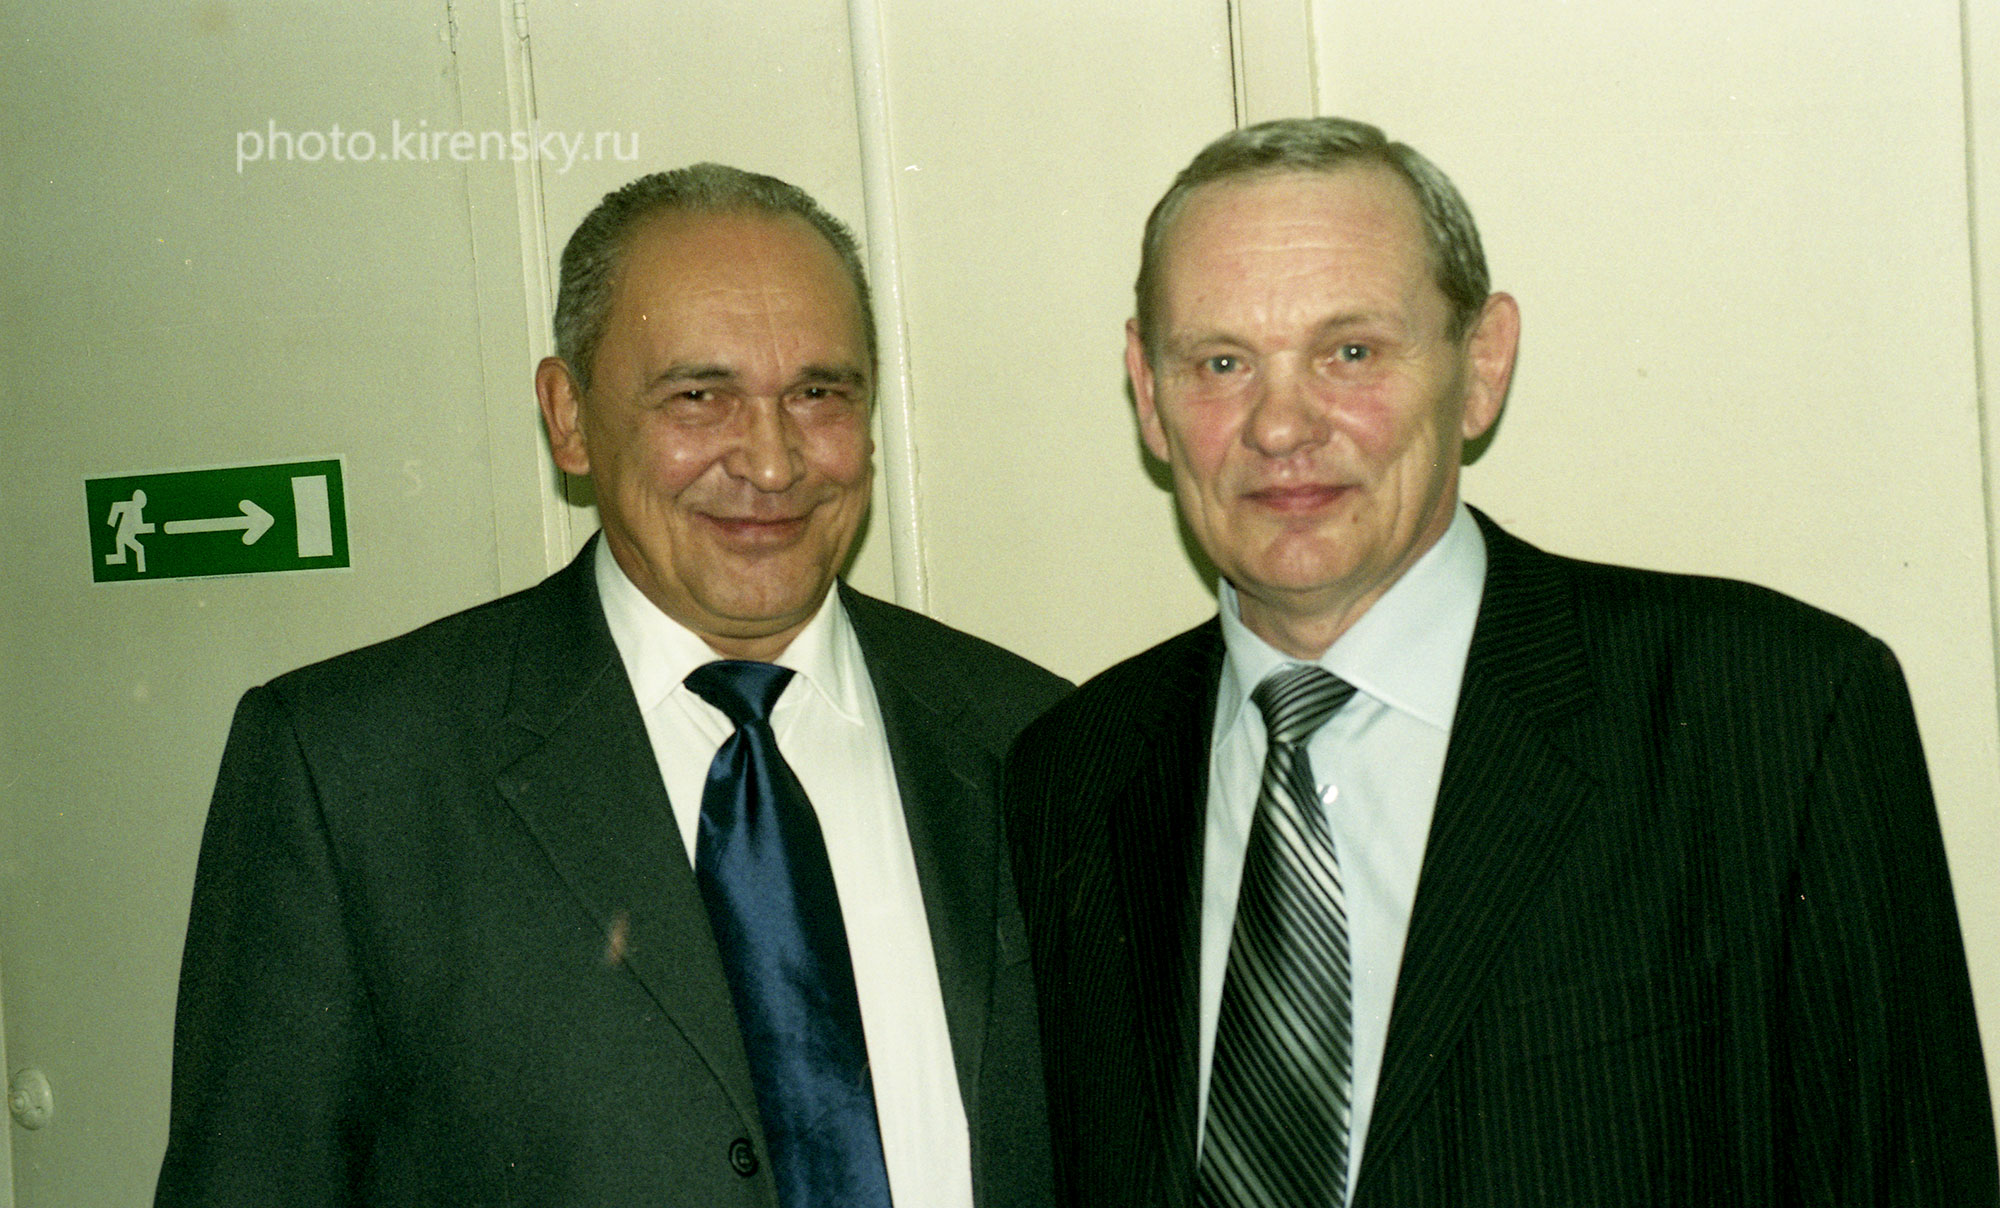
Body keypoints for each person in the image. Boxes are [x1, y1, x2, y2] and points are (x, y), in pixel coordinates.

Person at [1006, 116, 1997, 1207]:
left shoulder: (1770, 714)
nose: (1280, 426)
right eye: (1221, 363)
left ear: (1480, 365)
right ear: (1148, 394)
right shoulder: (1067, 776)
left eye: (1349, 352)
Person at [157, 163, 1068, 1207]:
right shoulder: (355, 771)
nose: (772, 462)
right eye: (698, 396)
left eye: (818, 394)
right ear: (569, 417)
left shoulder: (1036, 739)